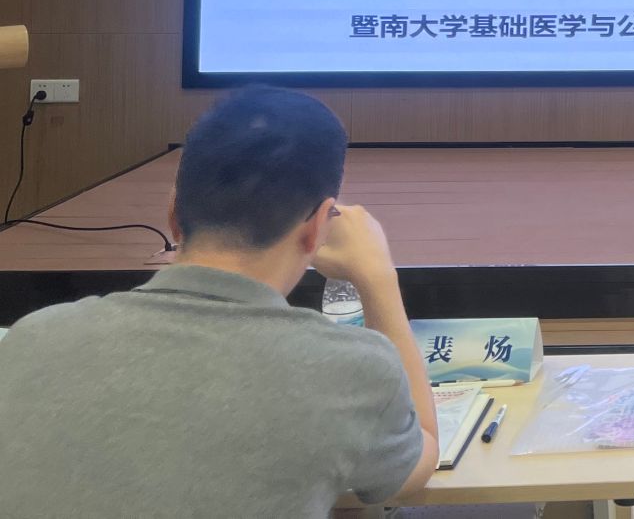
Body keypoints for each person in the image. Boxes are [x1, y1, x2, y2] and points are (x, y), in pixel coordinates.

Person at [0, 87, 439, 514]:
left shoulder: (32, 340)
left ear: (174, 214)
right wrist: (378, 277)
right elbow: (416, 464)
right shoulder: (352, 371)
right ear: (318, 226)